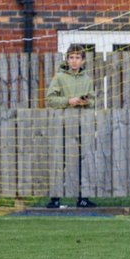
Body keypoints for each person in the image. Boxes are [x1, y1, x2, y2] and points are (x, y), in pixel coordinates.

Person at [44, 44, 96, 209]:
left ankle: (83, 198)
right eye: (71, 57)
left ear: (83, 60)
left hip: (82, 124)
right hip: (62, 124)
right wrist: (69, 101)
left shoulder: (87, 79)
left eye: (77, 58)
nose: (74, 61)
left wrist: (86, 102)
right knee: (60, 160)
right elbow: (50, 99)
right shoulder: (59, 77)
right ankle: (55, 198)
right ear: (67, 60)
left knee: (83, 160)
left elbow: (93, 100)